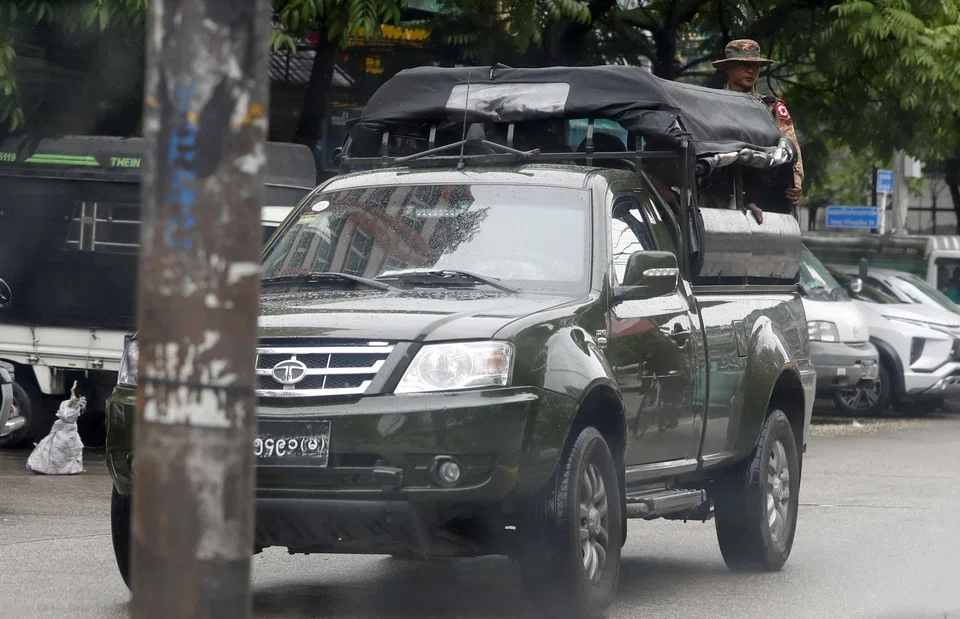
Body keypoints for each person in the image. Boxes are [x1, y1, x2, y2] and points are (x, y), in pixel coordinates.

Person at [712, 39, 805, 216]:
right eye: (743, 64)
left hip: (766, 196)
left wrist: (796, 180)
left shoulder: (771, 107)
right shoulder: (711, 105)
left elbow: (791, 146)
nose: (751, 70)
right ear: (727, 67)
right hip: (718, 195)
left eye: (755, 65)